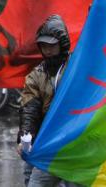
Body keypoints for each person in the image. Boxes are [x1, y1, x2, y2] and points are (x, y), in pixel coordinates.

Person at [17, 14, 78, 187]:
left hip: (75, 142)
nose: (48, 50)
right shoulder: (36, 75)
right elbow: (29, 109)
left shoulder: (77, 66)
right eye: (43, 46)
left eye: (52, 45)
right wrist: (25, 137)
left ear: (62, 43)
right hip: (47, 144)